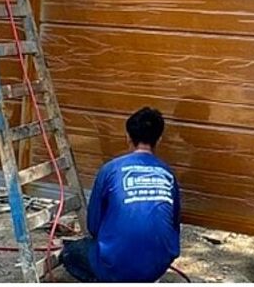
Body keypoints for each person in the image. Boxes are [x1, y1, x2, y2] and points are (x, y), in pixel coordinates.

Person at [61, 107, 181, 282]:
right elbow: (174, 224)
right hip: (157, 267)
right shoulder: (167, 173)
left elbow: (93, 226)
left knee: (69, 253)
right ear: (159, 139)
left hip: (116, 266)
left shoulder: (111, 169)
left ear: (127, 137)